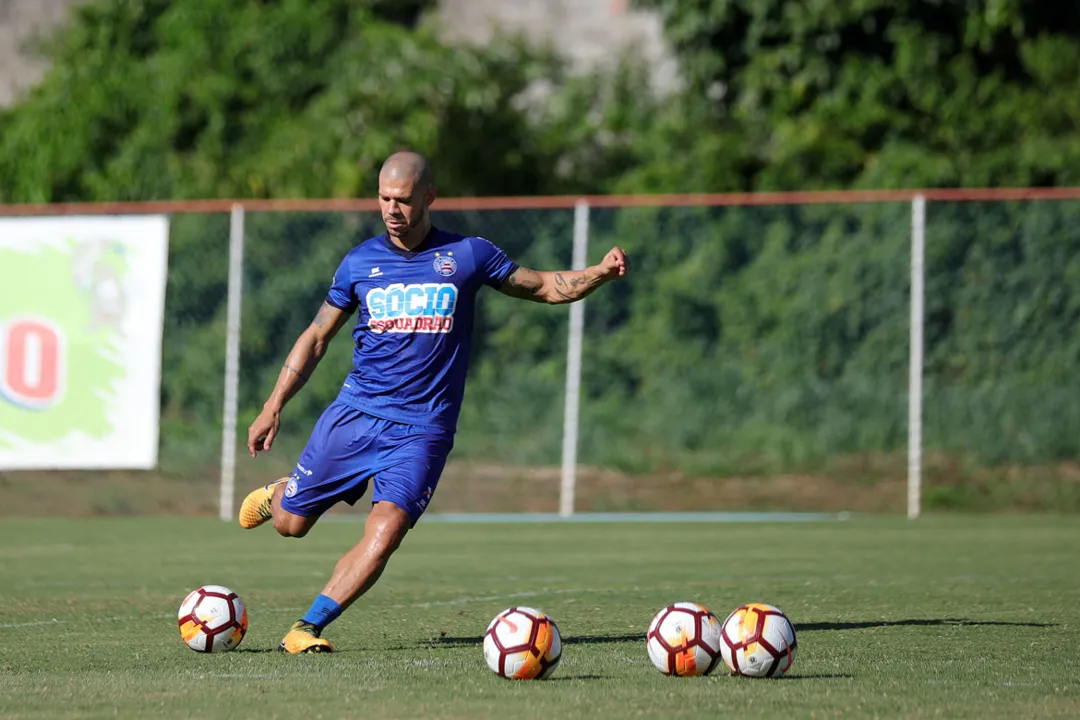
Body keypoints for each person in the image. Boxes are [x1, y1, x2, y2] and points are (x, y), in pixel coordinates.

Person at [238, 151, 630, 653]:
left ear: (429, 197)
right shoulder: (359, 262)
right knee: (291, 526)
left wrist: (597, 272)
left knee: (386, 531)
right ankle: (284, 492)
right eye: (383, 198)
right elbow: (316, 336)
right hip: (357, 414)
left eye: (402, 199)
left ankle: (306, 628)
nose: (391, 209)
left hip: (424, 428)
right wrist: (273, 405)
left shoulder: (467, 255)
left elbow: (542, 287)